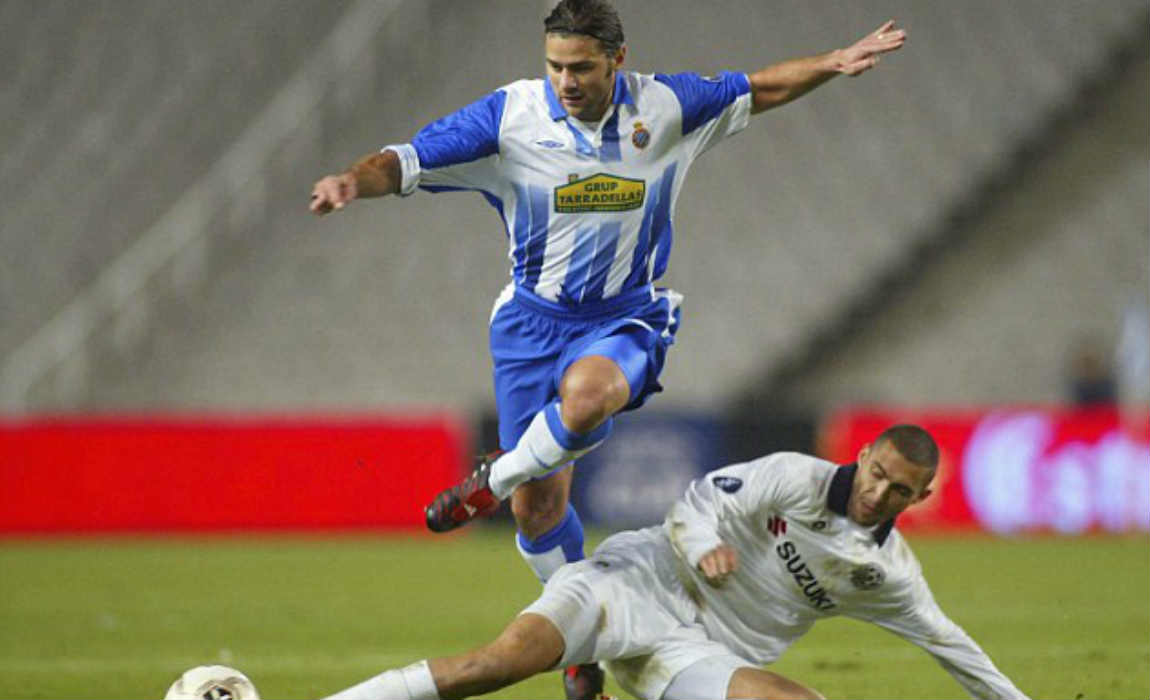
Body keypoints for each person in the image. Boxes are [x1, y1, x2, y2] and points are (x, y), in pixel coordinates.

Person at [311, 1, 905, 695]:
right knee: (539, 511)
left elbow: (759, 87)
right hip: (530, 328)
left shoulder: (665, 107)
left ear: (616, 60)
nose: (566, 80)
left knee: (588, 399)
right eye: (555, 65)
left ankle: (493, 480)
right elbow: (404, 160)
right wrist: (355, 181)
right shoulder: (509, 117)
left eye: (581, 67)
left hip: (627, 318)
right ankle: (578, 643)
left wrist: (831, 64)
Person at [322, 425, 1030, 700]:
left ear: (922, 496)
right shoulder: (793, 476)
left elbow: (949, 644)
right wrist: (703, 546)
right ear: (865, 452)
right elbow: (694, 504)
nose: (878, 493)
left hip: (698, 655)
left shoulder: (888, 573)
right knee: (495, 666)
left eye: (898, 490)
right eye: (876, 472)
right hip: (639, 583)